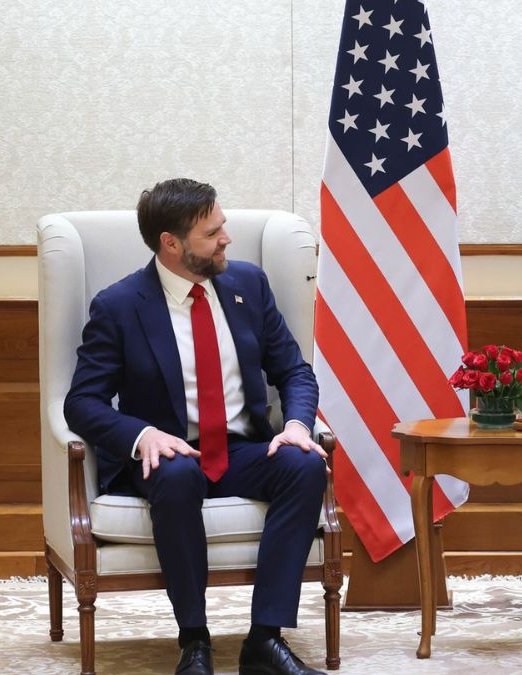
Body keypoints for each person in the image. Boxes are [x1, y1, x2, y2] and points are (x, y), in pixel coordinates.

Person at [64, 178, 328, 675]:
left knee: (304, 464)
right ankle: (195, 641)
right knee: (178, 473)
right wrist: (143, 435)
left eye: (223, 226)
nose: (226, 238)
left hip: (240, 448)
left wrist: (295, 425)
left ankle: (265, 640)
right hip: (168, 456)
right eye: (212, 233)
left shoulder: (249, 285)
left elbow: (293, 370)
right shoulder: (120, 306)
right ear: (171, 243)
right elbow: (82, 403)